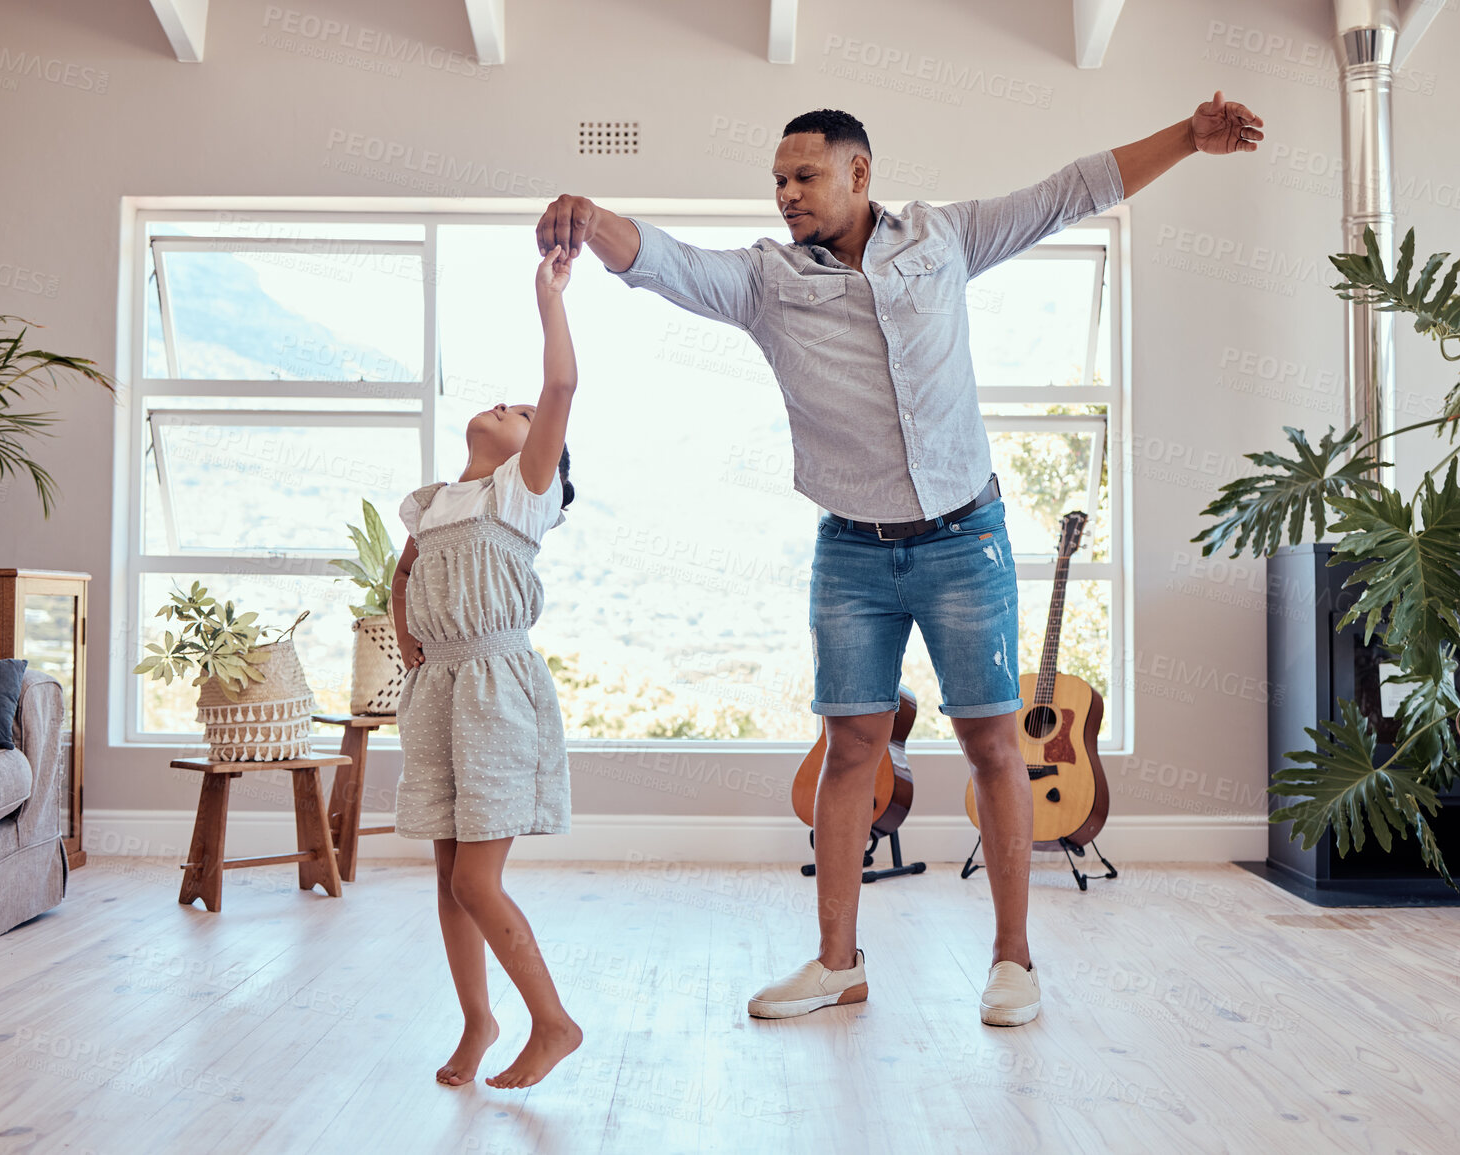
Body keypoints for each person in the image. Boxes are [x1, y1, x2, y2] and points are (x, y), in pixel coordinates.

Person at [535, 94, 1263, 1026]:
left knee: (992, 747)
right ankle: (837, 962)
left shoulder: (944, 239)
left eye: (804, 176)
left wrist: (1188, 139)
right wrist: (591, 222)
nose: (786, 195)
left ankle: (1012, 961)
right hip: (850, 552)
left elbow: (1069, 192)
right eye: (777, 182)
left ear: (858, 173)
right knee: (849, 752)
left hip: (967, 538)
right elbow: (670, 264)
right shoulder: (769, 283)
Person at [390, 247, 583, 1088]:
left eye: (518, 414)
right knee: (446, 872)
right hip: (438, 690)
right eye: (503, 404)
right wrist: (408, 643)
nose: (504, 404)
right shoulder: (434, 501)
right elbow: (401, 575)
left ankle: (553, 1021)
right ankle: (478, 1021)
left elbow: (560, 389)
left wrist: (547, 301)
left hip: (498, 690)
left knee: (478, 875)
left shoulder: (520, 492)